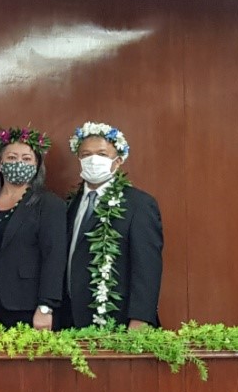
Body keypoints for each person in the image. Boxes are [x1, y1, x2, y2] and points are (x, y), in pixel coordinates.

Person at [61, 121, 164, 330]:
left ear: (117, 162)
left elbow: (147, 267)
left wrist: (140, 319)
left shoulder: (138, 204)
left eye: (102, 154)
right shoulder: (70, 204)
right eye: (86, 154)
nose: (93, 160)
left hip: (118, 321)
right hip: (72, 321)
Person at [0, 127, 66, 329]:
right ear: (0, 164)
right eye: (11, 157)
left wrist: (46, 307)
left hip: (26, 306)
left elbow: (54, 257)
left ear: (36, 165)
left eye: (27, 159)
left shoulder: (49, 204)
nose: (19, 163)